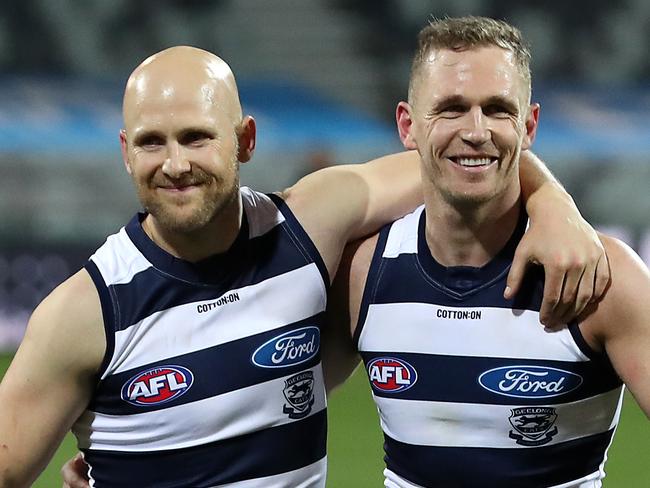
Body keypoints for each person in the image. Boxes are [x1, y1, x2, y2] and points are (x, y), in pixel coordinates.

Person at [0, 46, 608, 488]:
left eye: (196, 137)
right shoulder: (86, 312)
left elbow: (463, 158)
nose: (176, 164)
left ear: (244, 140)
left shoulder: (309, 228)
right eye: (152, 142)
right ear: (125, 151)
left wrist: (554, 203)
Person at [324, 16, 650, 488]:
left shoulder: (600, 276)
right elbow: (274, 411)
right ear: (408, 125)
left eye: (498, 109)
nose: (476, 131)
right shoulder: (362, 274)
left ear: (529, 124)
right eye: (451, 109)